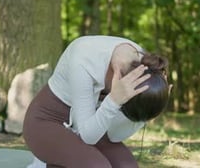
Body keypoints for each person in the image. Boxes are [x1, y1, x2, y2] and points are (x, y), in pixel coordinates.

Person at [23, 35, 172, 168]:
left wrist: (151, 109)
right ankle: (47, 162)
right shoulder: (83, 57)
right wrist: (114, 100)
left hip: (93, 124)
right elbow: (88, 137)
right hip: (47, 121)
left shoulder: (143, 69)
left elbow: (114, 135)